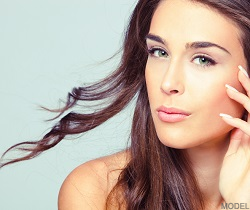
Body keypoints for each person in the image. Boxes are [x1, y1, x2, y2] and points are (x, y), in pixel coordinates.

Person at [1, 0, 250, 209]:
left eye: (203, 59)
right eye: (159, 52)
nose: (168, 83)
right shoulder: (97, 191)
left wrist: (239, 202)